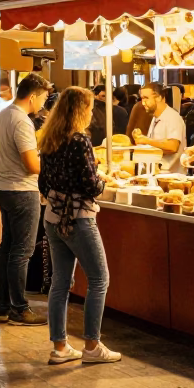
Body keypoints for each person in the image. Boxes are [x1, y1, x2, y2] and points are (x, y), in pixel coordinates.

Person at [37, 86, 120, 365]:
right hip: (79, 217)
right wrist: (103, 180)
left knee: (60, 282)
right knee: (99, 279)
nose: (91, 113)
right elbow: (90, 186)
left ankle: (60, 347)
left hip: (52, 216)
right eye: (89, 107)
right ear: (79, 110)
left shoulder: (48, 138)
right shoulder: (79, 141)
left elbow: (43, 183)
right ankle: (92, 346)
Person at [0, 73, 49, 325]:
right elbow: (31, 164)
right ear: (33, 96)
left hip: (3, 188)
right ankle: (19, 308)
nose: (44, 104)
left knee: (7, 250)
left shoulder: (3, 115)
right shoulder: (22, 121)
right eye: (44, 98)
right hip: (22, 191)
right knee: (21, 253)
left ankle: (4, 307)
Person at [132, 83, 187, 173]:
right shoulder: (155, 117)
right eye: (142, 98)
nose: (143, 103)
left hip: (170, 176)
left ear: (159, 97)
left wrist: (146, 140)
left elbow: (173, 146)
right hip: (156, 172)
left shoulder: (172, 117)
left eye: (146, 98)